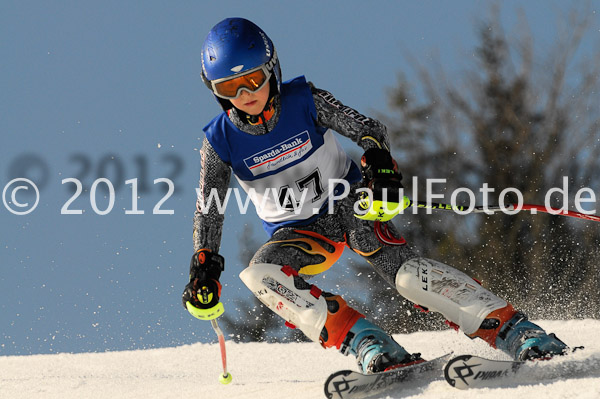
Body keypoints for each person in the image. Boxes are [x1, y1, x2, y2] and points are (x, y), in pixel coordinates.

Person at [182, 17, 569, 374]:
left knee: (407, 277)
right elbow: (208, 207)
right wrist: (204, 263)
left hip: (352, 206)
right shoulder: (219, 142)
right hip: (299, 234)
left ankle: (515, 331)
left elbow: (367, 128)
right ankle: (369, 343)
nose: (246, 93)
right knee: (260, 274)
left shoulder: (304, 101)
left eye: (253, 79)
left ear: (272, 70)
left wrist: (379, 162)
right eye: (230, 87)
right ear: (214, 91)